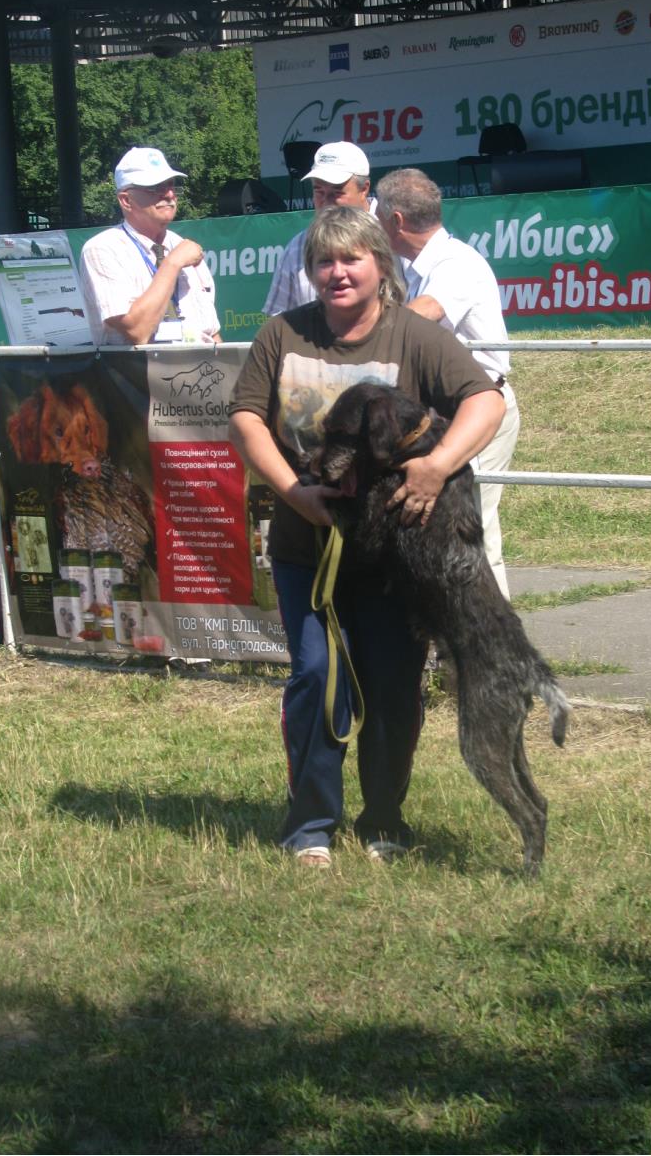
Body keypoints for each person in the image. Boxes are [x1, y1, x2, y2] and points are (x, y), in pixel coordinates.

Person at [230, 207, 505, 867]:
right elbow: (245, 418)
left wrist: (437, 466)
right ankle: (310, 827)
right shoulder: (281, 334)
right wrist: (293, 492)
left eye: (351, 258)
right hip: (308, 546)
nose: (338, 272)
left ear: (381, 264)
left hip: (392, 559)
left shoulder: (415, 336)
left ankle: (384, 818)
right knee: (316, 676)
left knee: (393, 683)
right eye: (324, 261)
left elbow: (486, 400)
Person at [375, 167, 520, 598]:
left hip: (477, 409)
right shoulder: (412, 264)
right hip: (441, 414)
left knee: (473, 528)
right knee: (445, 528)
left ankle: (496, 634)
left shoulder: (456, 263)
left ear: (396, 220)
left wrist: (359, 333)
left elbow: (425, 313)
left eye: (377, 215)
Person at [79, 147, 221, 346]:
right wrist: (172, 264)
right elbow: (137, 332)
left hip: (203, 364)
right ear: (126, 200)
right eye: (155, 188)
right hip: (140, 366)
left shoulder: (182, 246)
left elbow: (212, 333)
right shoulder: (102, 249)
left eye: (171, 185)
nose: (169, 194)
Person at [262, 141, 374, 316]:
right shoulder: (298, 247)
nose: (327, 201)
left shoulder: (394, 235)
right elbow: (280, 321)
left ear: (364, 189)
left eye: (337, 192)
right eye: (319, 191)